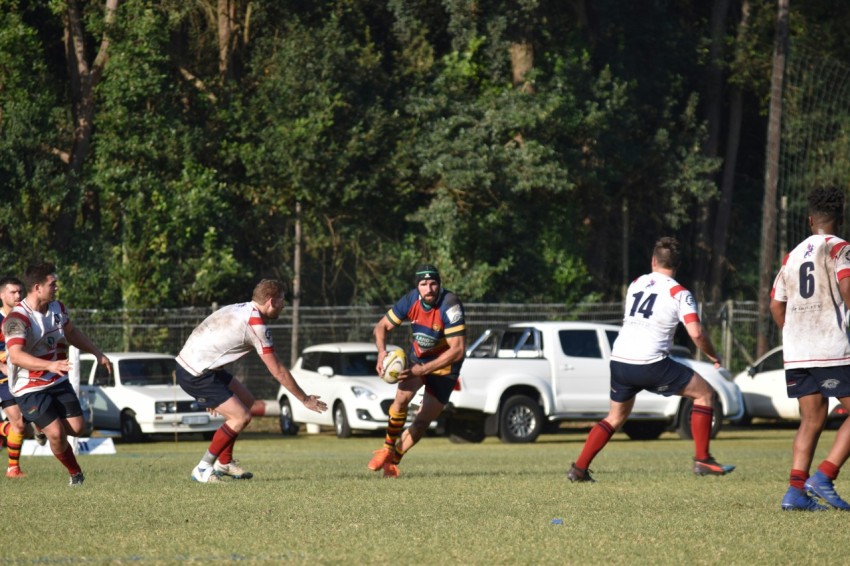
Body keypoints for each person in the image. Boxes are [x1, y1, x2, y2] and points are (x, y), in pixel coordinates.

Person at [568, 237, 734, 482]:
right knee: (705, 394)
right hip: (650, 363)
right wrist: (712, 354)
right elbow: (696, 333)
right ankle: (703, 459)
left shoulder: (636, 283)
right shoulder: (680, 293)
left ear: (653, 261)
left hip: (620, 361)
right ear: (677, 265)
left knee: (614, 417)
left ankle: (579, 469)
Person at [175, 278, 327, 483]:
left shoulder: (240, 308)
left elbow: (206, 334)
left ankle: (224, 462)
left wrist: (214, 392)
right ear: (271, 301)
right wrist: (304, 399)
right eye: (282, 301)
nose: (284, 305)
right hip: (197, 373)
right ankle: (203, 467)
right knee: (241, 417)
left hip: (199, 366)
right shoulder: (256, 325)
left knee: (246, 400)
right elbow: (279, 371)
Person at [770, 187, 850, 511]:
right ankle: (824, 476)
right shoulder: (839, 248)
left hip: (798, 352)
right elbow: (847, 287)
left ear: (809, 219)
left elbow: (776, 305)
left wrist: (794, 335)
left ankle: (794, 493)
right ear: (840, 219)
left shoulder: (791, 256)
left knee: (811, 420)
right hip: (830, 348)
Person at [3, 263, 111, 486]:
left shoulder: (57, 309)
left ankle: (40, 425)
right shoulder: (17, 318)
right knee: (56, 434)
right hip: (28, 387)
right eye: (52, 284)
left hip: (56, 380)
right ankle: (76, 474)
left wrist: (97, 352)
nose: (57, 287)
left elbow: (71, 333)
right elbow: (16, 356)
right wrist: (48, 365)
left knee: (78, 428)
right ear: (37, 287)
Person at [367, 264, 466, 478]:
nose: (429, 288)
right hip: (418, 358)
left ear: (439, 285)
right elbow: (381, 326)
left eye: (433, 283)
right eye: (423, 284)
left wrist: (422, 370)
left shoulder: (450, 305)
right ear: (418, 287)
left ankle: (392, 462)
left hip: (445, 368)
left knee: (421, 422)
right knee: (400, 401)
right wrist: (382, 351)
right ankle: (386, 449)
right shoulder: (411, 300)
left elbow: (457, 350)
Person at [0, 276, 26, 478]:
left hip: (23, 376)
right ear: (2, 295)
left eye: (20, 292)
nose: (18, 295)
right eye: (13, 292)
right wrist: (4, 368)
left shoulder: (26, 317)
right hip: (3, 379)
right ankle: (13, 469)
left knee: (24, 426)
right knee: (18, 424)